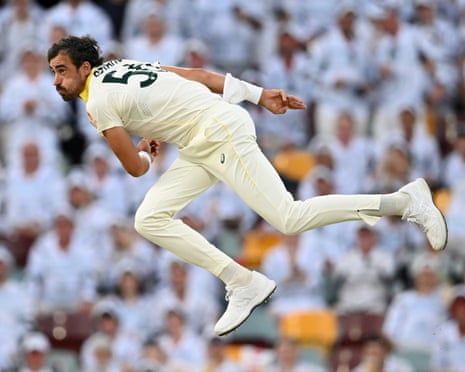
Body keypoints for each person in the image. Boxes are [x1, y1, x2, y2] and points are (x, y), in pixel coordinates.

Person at [47, 35, 447, 337]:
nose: (56, 80)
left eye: (61, 70)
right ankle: (243, 281)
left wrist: (147, 153)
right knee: (149, 218)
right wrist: (257, 94)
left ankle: (404, 201)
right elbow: (199, 77)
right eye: (52, 72)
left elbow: (135, 169)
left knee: (289, 218)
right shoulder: (124, 66)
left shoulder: (97, 101)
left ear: (85, 68)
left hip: (218, 135)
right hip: (202, 140)